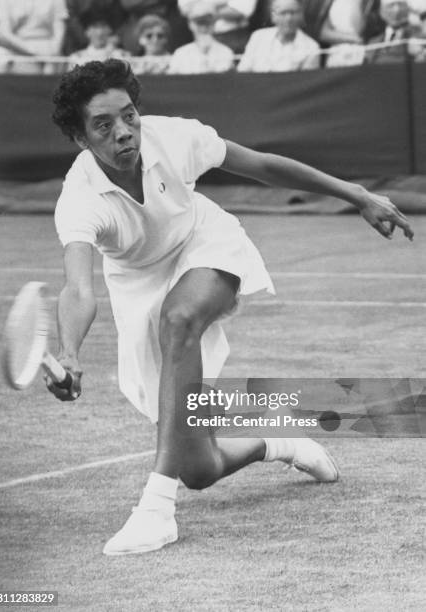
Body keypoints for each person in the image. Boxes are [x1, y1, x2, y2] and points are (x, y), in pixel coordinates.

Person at [49, 59, 413, 555]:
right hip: (139, 284)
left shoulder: (174, 138)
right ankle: (279, 438)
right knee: (199, 468)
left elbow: (261, 164)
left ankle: (156, 509)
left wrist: (356, 194)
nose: (124, 132)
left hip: (204, 244)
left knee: (180, 318)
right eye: (104, 125)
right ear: (79, 137)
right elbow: (77, 289)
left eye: (129, 115)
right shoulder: (79, 197)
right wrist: (68, 352)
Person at [238, 0, 320, 72]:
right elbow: (243, 71)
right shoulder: (258, 37)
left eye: (293, 13)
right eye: (283, 13)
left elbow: (307, 83)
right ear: (273, 16)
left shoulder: (312, 47)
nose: (289, 19)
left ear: (301, 15)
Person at [0, 0, 68, 74]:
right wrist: (36, 53)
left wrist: (52, 56)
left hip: (51, 54)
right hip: (19, 52)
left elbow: (59, 34)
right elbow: (4, 34)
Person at [169, 2, 234, 74]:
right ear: (190, 24)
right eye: (199, 23)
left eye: (207, 23)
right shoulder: (180, 54)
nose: (203, 28)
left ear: (214, 24)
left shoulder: (225, 52)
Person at [178, 0, 258, 54]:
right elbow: (185, 8)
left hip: (233, 38)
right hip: (196, 37)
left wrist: (204, 7)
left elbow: (242, 10)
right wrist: (220, 3)